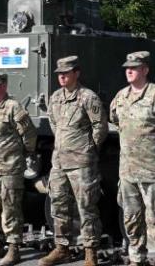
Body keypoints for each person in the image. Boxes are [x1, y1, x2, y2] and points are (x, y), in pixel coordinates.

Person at [110, 51, 155, 266]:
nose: (129, 71)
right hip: (128, 171)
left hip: (154, 171)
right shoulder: (120, 97)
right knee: (131, 218)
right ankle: (136, 258)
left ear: (145, 70)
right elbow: (115, 120)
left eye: (133, 67)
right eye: (127, 68)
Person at [39, 56, 108, 266]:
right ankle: (62, 249)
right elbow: (53, 123)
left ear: (76, 73)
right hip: (59, 162)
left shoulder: (88, 97)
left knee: (86, 208)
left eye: (66, 73)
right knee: (58, 206)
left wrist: (88, 149)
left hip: (81, 163)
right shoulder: (56, 98)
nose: (61, 77)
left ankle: (90, 252)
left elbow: (100, 127)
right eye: (59, 74)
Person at [0, 72, 38, 266]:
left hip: (10, 167)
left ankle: (13, 249)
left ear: (4, 85)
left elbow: (29, 134)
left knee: (11, 209)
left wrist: (26, 153)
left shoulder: (13, 107)